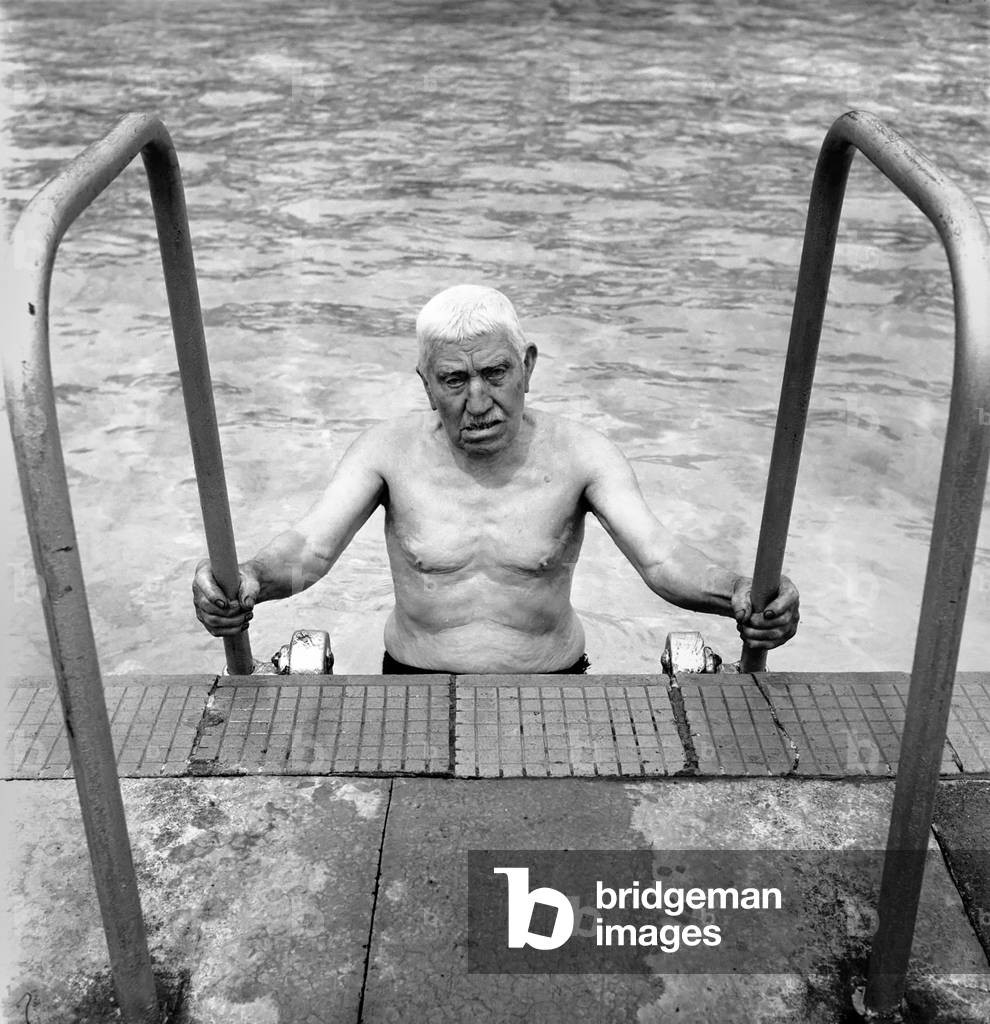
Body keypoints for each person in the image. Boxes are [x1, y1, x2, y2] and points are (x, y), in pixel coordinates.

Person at [192, 285, 799, 673]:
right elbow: (312, 548)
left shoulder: (583, 454)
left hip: (555, 677)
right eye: (454, 380)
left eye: (495, 372)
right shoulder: (386, 450)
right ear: (425, 384)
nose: (478, 400)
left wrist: (739, 592)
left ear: (528, 365)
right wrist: (246, 581)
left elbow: (661, 558)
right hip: (412, 676)